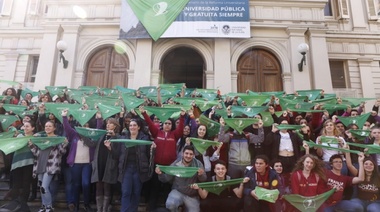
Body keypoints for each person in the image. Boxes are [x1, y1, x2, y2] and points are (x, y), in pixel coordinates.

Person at [139, 105, 185, 211]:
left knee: (167, 190)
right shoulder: (157, 133)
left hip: (169, 168)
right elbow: (150, 124)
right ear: (162, 124)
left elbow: (181, 128)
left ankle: (167, 209)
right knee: (154, 189)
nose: (167, 125)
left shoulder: (175, 135)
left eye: (169, 123)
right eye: (165, 123)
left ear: (171, 125)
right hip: (157, 166)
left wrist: (182, 117)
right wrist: (144, 113)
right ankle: (151, 209)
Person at [109, 118, 156, 212]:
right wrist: (110, 147)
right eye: (130, 125)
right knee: (126, 192)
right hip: (126, 169)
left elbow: (149, 155)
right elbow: (117, 154)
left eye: (134, 125)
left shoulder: (144, 138)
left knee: (136, 193)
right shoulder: (123, 138)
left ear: (138, 127)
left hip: (139, 170)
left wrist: (153, 149)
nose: (132, 127)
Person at [28, 120, 68, 212]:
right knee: (41, 187)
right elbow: (36, 153)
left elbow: (62, 152)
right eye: (46, 126)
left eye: (50, 126)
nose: (47, 128)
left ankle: (49, 207)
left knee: (44, 187)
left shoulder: (58, 138)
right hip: (40, 164)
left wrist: (65, 143)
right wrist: (31, 145)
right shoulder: (42, 139)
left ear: (54, 128)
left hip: (50, 166)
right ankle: (44, 206)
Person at [62, 109, 96, 212]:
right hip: (75, 164)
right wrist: (64, 116)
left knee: (86, 184)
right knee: (76, 184)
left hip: (87, 164)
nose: (84, 127)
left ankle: (86, 204)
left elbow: (99, 128)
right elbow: (67, 127)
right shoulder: (74, 134)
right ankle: (76, 205)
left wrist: (99, 118)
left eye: (86, 125)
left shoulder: (91, 136)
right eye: (82, 125)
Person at [155, 145, 207, 212]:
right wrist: (160, 174)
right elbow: (166, 179)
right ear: (183, 153)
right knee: (170, 204)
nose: (188, 156)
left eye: (191, 154)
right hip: (177, 191)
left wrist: (200, 175)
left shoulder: (198, 164)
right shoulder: (176, 164)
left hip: (192, 195)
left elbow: (204, 179)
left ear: (193, 155)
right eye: (186, 153)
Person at [0, 120, 36, 212]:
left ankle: (23, 205)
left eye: (28, 126)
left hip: (29, 163)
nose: (25, 128)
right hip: (16, 164)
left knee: (26, 184)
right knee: (16, 185)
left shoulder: (36, 138)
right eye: (24, 126)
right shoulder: (19, 136)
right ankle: (14, 204)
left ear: (33, 128)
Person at [91, 114, 120, 212]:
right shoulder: (102, 134)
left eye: (110, 123)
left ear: (115, 126)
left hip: (109, 166)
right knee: (98, 186)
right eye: (107, 123)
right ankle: (99, 209)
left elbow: (117, 154)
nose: (108, 125)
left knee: (107, 186)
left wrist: (110, 147)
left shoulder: (118, 137)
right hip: (99, 163)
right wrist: (83, 135)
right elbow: (92, 143)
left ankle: (105, 209)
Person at [342, 147, 380, 211]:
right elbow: (349, 165)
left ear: (374, 167)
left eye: (371, 164)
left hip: (374, 202)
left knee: (373, 209)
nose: (369, 165)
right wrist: (347, 151)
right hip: (360, 201)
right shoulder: (359, 174)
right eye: (366, 164)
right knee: (355, 206)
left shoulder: (378, 177)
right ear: (363, 165)